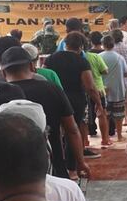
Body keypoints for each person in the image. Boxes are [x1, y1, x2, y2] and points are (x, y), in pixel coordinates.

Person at [1, 46, 91, 178]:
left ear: (3, 72)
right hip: (53, 168)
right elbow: (72, 129)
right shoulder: (51, 89)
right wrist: (81, 162)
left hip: (11, 173)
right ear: (32, 66)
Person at [45, 31, 106, 163]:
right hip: (75, 100)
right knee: (73, 132)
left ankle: (57, 165)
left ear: (65, 44)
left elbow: (45, 79)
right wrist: (99, 104)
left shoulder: (51, 59)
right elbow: (90, 86)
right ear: (81, 46)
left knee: (54, 132)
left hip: (54, 98)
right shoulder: (82, 61)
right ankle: (72, 168)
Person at [99, 34, 127, 143]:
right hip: (118, 91)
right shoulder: (120, 57)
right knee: (119, 116)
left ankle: (105, 137)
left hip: (103, 91)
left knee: (104, 115)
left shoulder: (99, 57)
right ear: (113, 44)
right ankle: (119, 136)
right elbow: (126, 73)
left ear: (103, 45)